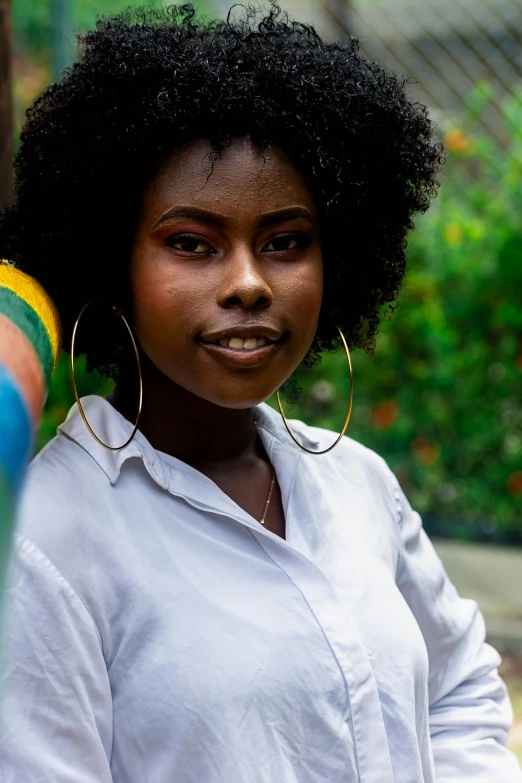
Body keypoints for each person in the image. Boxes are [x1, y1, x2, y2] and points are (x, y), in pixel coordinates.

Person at [0, 4, 520, 781]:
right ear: (115, 263)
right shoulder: (48, 541)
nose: (247, 282)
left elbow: (463, 688)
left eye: (284, 241)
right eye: (191, 243)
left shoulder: (360, 483)